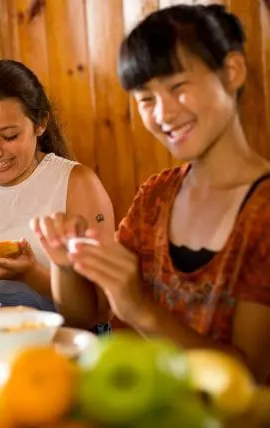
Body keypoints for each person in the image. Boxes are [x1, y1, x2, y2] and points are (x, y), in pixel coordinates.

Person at [35, 4, 270, 382]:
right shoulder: (157, 196)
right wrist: (65, 264)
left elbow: (247, 378)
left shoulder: (264, 211)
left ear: (232, 72)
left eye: (178, 88)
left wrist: (140, 308)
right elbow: (87, 313)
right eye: (146, 99)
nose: (163, 114)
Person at [0, 59, 114, 325]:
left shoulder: (76, 183)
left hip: (60, 349)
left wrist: (31, 274)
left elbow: (100, 312)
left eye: (8, 136)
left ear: (40, 123)